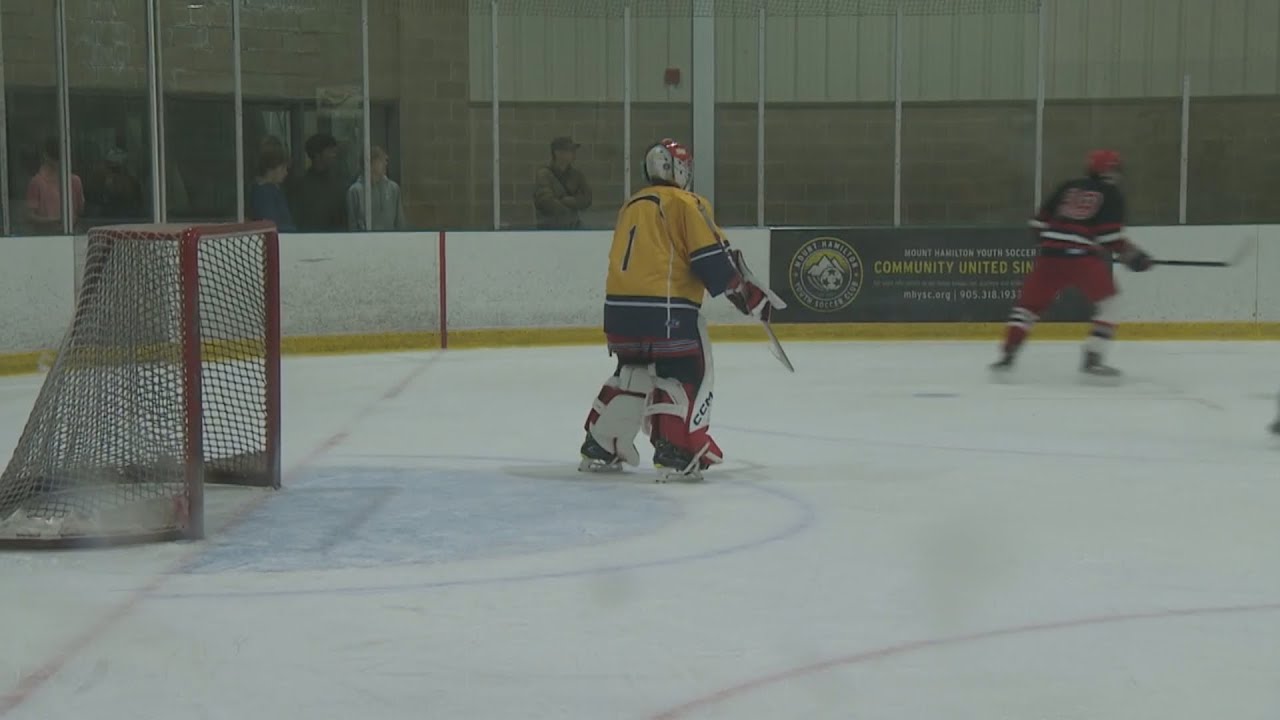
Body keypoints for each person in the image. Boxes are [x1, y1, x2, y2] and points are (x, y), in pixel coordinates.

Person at [577, 138, 778, 481]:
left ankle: (601, 443)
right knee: (685, 369)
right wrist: (748, 297)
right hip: (665, 313)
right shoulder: (687, 203)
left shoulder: (632, 204)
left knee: (633, 372)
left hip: (619, 317)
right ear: (680, 168)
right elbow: (710, 259)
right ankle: (677, 448)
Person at [990, 149, 1154, 377]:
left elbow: (1038, 224)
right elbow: (1109, 238)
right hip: (1080, 259)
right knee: (1111, 305)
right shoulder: (1112, 194)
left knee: (1027, 308)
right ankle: (1093, 359)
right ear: (1109, 171)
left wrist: (1054, 242)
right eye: (1115, 170)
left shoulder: (1068, 186)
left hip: (1049, 256)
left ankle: (1007, 355)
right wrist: (1136, 257)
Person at [533, 136, 592, 229]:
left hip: (573, 228)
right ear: (557, 153)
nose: (573, 153)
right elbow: (545, 201)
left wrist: (567, 201)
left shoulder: (577, 175)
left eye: (573, 150)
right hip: (549, 229)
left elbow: (586, 199)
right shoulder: (544, 174)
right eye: (569, 150)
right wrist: (570, 208)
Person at [347, 145, 406, 231]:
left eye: (386, 160)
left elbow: (400, 222)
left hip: (390, 241)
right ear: (370, 163)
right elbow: (352, 225)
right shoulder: (355, 191)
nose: (386, 163)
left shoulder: (393, 188)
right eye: (381, 160)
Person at [248, 144, 296, 232]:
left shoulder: (275, 189)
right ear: (271, 168)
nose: (286, 173)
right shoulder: (263, 193)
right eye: (282, 168)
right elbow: (271, 225)